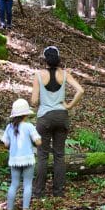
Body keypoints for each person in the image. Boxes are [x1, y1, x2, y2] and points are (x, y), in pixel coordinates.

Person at [31, 46, 84, 197]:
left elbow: (34, 101)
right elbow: (80, 90)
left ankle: (38, 191)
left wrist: (39, 99)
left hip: (45, 118)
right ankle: (58, 191)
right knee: (59, 155)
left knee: (42, 155)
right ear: (58, 58)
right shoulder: (65, 74)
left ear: (45, 59)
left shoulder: (38, 75)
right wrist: (69, 105)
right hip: (62, 116)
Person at [2, 98, 42, 210]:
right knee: (28, 184)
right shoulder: (29, 126)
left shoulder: (9, 127)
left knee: (14, 184)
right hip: (28, 160)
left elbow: (6, 144)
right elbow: (38, 142)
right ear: (26, 115)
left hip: (14, 160)